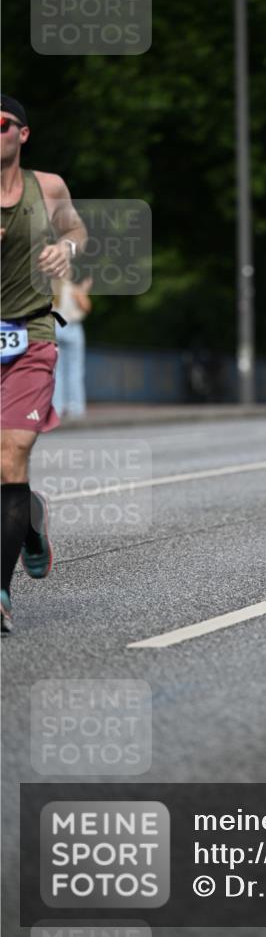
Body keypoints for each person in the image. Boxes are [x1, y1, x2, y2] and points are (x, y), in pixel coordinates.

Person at [0, 95, 87, 633]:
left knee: (11, 455)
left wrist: (66, 252)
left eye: (1, 124)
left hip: (30, 336)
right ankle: (29, 520)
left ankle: (1, 592)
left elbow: (75, 230)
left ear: (22, 134)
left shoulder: (47, 186)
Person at [52, 272, 93, 419]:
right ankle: (75, 407)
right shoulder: (72, 288)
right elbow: (86, 307)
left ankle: (57, 406)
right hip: (72, 327)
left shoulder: (50, 288)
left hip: (55, 328)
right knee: (75, 369)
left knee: (57, 370)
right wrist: (84, 290)